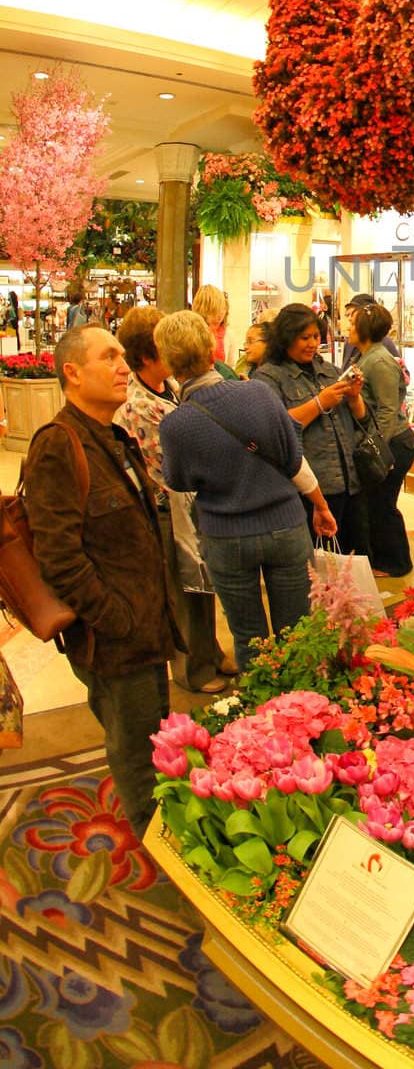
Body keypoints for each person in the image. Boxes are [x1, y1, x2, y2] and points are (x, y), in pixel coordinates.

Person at [22, 325, 183, 841]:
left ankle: (166, 830)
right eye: (107, 356)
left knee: (156, 739)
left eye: (121, 355)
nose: (122, 366)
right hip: (115, 639)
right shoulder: (58, 446)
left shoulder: (111, 436)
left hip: (144, 630)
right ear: (72, 372)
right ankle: (155, 849)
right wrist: (115, 618)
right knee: (135, 750)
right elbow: (59, 557)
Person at [156, 311, 337, 674]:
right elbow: (291, 456)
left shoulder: (175, 424)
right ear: (212, 350)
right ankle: (305, 713)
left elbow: (178, 481)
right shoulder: (258, 392)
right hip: (285, 525)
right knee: (298, 630)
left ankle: (261, 715)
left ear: (168, 362)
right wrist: (319, 504)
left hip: (225, 536)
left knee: (249, 637)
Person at [115, 306, 231, 693]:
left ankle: (210, 652)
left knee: (203, 585)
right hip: (166, 511)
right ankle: (192, 671)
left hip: (192, 505)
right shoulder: (140, 406)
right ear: (148, 355)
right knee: (184, 592)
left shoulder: (171, 388)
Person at [253, 303, 370, 555]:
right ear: (286, 338)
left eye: (316, 336)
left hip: (349, 481)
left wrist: (354, 397)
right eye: (304, 338)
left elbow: (362, 419)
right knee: (317, 568)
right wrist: (319, 403)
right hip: (308, 488)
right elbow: (276, 427)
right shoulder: (268, 377)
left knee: (354, 562)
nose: (312, 343)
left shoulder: (329, 371)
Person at [350, 301, 414, 577]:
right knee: (374, 504)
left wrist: (378, 448)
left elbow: (389, 409)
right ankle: (382, 559)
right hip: (384, 442)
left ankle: (396, 562)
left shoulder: (378, 361)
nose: (347, 327)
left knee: (383, 504)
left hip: (395, 443)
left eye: (352, 324)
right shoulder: (366, 356)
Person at [339, 292, 400, 371]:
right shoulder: (349, 342)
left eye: (353, 316)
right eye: (348, 316)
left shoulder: (383, 343)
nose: (348, 327)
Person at [191, 284, 236, 376]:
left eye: (223, 308)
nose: (221, 313)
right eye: (216, 308)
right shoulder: (190, 331)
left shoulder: (229, 334)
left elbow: (230, 366)